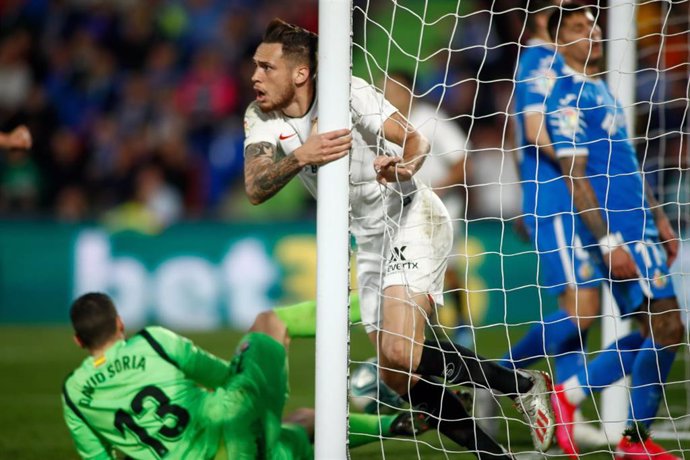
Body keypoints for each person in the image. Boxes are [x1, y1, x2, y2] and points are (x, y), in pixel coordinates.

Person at [243, 18, 555, 457]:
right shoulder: (260, 117)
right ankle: (495, 454)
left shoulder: (346, 93)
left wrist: (405, 164)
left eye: (265, 67)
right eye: (255, 66)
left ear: (299, 73)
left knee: (399, 349)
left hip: (410, 215)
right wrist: (301, 155)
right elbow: (256, 187)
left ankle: (520, 385)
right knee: (396, 376)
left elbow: (414, 139)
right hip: (367, 240)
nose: (254, 76)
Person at [544, 4, 683, 459]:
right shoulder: (566, 97)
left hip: (641, 226)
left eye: (595, 29)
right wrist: (607, 242)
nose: (593, 36)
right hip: (618, 233)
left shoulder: (601, 91)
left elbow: (627, 163)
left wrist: (660, 217)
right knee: (667, 325)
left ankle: (573, 397)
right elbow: (575, 177)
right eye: (580, 30)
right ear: (560, 42)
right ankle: (629, 437)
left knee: (651, 329)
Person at [62, 292, 424, 460]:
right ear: (120, 323)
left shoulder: (73, 395)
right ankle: (379, 305)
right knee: (271, 322)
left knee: (300, 425)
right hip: (233, 424)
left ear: (79, 341)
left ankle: (392, 426)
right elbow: (219, 374)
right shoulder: (152, 341)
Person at [503, 0, 606, 448]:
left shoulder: (556, 62)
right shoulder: (542, 59)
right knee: (584, 308)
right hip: (558, 198)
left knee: (579, 310)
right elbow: (532, 126)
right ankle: (496, 376)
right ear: (549, 19)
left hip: (567, 200)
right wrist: (569, 166)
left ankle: (568, 413)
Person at [381, 69, 472, 348]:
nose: (387, 95)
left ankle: (462, 323)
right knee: (411, 274)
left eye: (393, 89)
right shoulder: (384, 126)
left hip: (440, 209)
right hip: (404, 213)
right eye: (383, 89)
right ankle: (429, 332)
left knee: (447, 271)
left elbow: (463, 164)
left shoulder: (432, 121)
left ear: (409, 91)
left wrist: (436, 191)